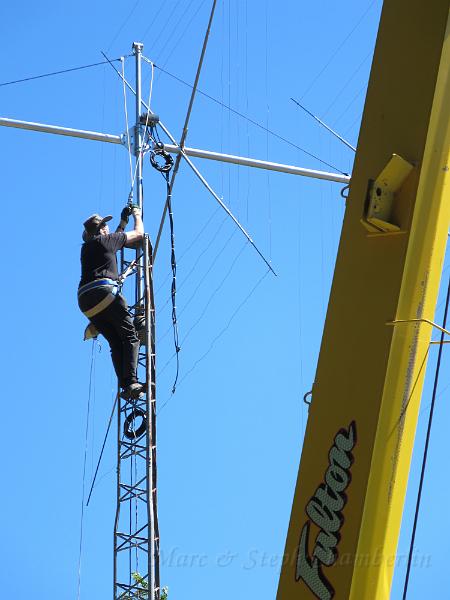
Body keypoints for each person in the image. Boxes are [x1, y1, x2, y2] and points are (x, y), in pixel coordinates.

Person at [78, 205, 144, 399]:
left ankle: (126, 386)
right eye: (105, 226)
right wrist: (136, 216)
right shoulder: (107, 241)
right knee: (130, 336)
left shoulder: (88, 248)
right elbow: (139, 234)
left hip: (86, 301)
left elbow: (113, 244)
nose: (108, 228)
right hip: (105, 293)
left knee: (116, 342)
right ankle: (131, 381)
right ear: (101, 230)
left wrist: (122, 223)